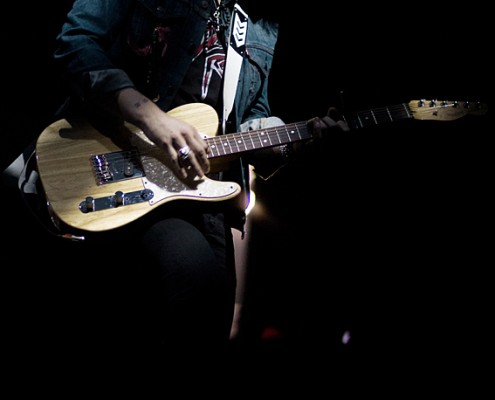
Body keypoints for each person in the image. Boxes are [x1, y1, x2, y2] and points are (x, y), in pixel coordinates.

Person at [22, 0, 348, 391]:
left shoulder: (260, 24)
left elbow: (248, 117)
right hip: (124, 170)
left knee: (210, 333)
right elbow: (75, 42)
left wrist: (292, 139)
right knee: (193, 288)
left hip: (204, 197)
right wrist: (150, 116)